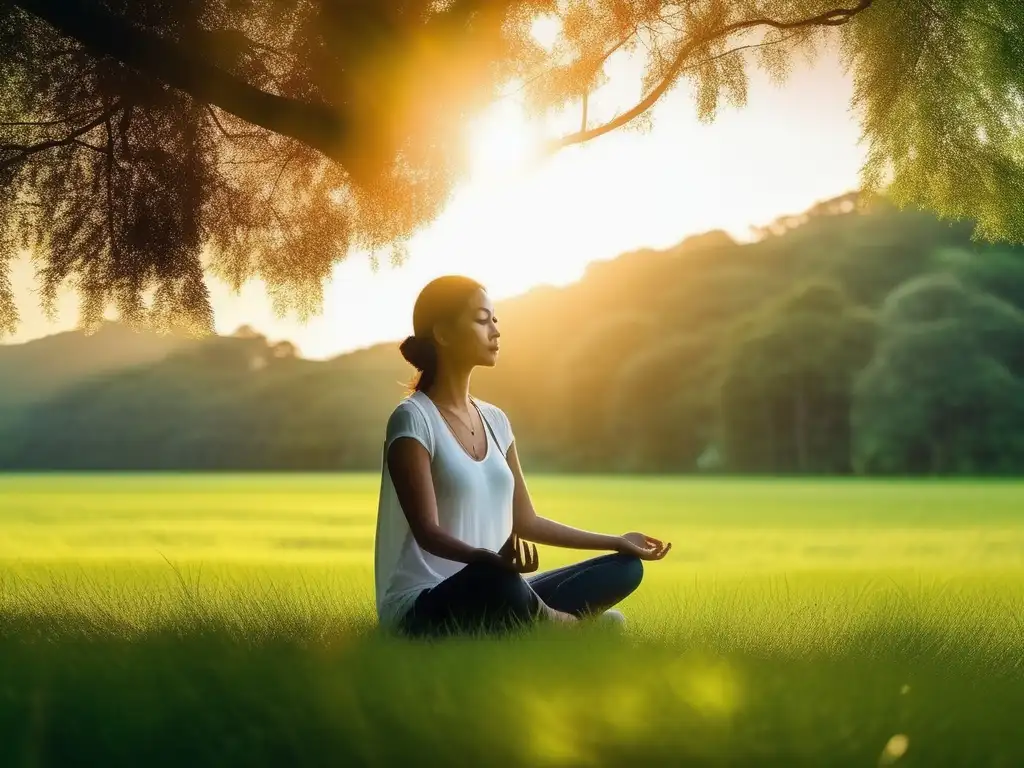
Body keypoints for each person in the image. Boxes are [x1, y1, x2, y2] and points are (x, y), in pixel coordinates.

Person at [373, 275, 671, 637]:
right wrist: (490, 560)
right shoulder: (413, 419)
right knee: (496, 580)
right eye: (482, 320)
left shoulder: (496, 420)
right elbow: (427, 533)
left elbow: (526, 521)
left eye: (495, 320)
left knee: (625, 568)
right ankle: (565, 629)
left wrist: (615, 541)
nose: (496, 331)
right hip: (426, 604)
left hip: (501, 587)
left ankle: (527, 621)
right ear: (444, 333)